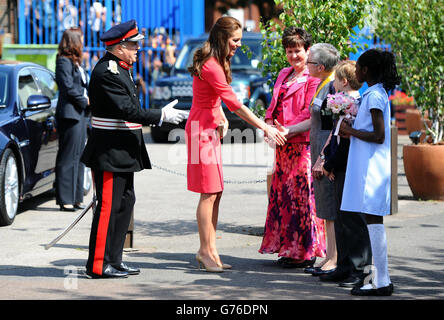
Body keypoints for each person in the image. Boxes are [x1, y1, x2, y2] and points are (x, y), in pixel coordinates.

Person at [81, 20, 188, 279]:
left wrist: (158, 115)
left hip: (122, 148)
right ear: (118, 47)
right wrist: (159, 115)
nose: (138, 48)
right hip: (108, 150)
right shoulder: (107, 72)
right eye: (133, 44)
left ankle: (114, 259)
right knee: (108, 206)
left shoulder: (122, 68)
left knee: (125, 202)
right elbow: (127, 111)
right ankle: (97, 264)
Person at [186, 16, 286, 273]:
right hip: (201, 131)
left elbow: (214, 98)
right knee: (208, 193)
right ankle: (205, 251)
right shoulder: (212, 65)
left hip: (209, 129)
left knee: (216, 191)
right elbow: (234, 103)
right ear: (222, 38)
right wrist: (264, 126)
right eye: (236, 40)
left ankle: (210, 250)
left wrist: (219, 116)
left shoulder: (217, 62)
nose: (239, 45)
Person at [258, 27, 326, 268]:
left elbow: (311, 114)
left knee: (303, 200)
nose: (294, 56)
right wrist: (268, 127)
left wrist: (288, 130)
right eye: (289, 51)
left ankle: (305, 251)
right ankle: (288, 248)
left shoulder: (313, 78)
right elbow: (271, 109)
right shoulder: (283, 74)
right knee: (284, 199)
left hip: (302, 147)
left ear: (308, 50)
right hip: (282, 147)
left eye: (298, 51)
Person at [339, 49, 400, 296]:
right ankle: (378, 278)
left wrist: (350, 131)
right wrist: (353, 126)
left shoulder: (374, 95)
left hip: (373, 170)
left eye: (358, 67)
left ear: (365, 71)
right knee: (371, 221)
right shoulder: (374, 93)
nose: (354, 71)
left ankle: (381, 281)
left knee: (374, 221)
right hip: (368, 166)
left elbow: (378, 135)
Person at [315, 61, 373, 288]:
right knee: (341, 217)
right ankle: (344, 265)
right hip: (338, 167)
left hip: (349, 166)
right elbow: (335, 134)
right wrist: (328, 160)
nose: (334, 84)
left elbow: (346, 142)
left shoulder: (356, 104)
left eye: (336, 80)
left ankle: (359, 270)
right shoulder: (343, 103)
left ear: (344, 81)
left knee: (353, 219)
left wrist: (330, 164)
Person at [305, 43, 340, 274]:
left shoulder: (333, 89)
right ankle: (329, 255)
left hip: (325, 155)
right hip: (317, 150)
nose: (305, 65)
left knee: (331, 207)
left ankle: (334, 258)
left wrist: (322, 159)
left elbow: (335, 126)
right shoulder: (322, 85)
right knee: (325, 206)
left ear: (319, 66)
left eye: (309, 61)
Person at [55, 27, 89, 212]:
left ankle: (76, 197)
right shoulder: (63, 62)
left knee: (79, 157)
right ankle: (65, 199)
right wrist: (85, 100)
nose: (83, 43)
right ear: (74, 41)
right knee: (68, 157)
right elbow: (67, 88)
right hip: (70, 114)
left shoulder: (76, 63)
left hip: (81, 115)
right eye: (81, 39)